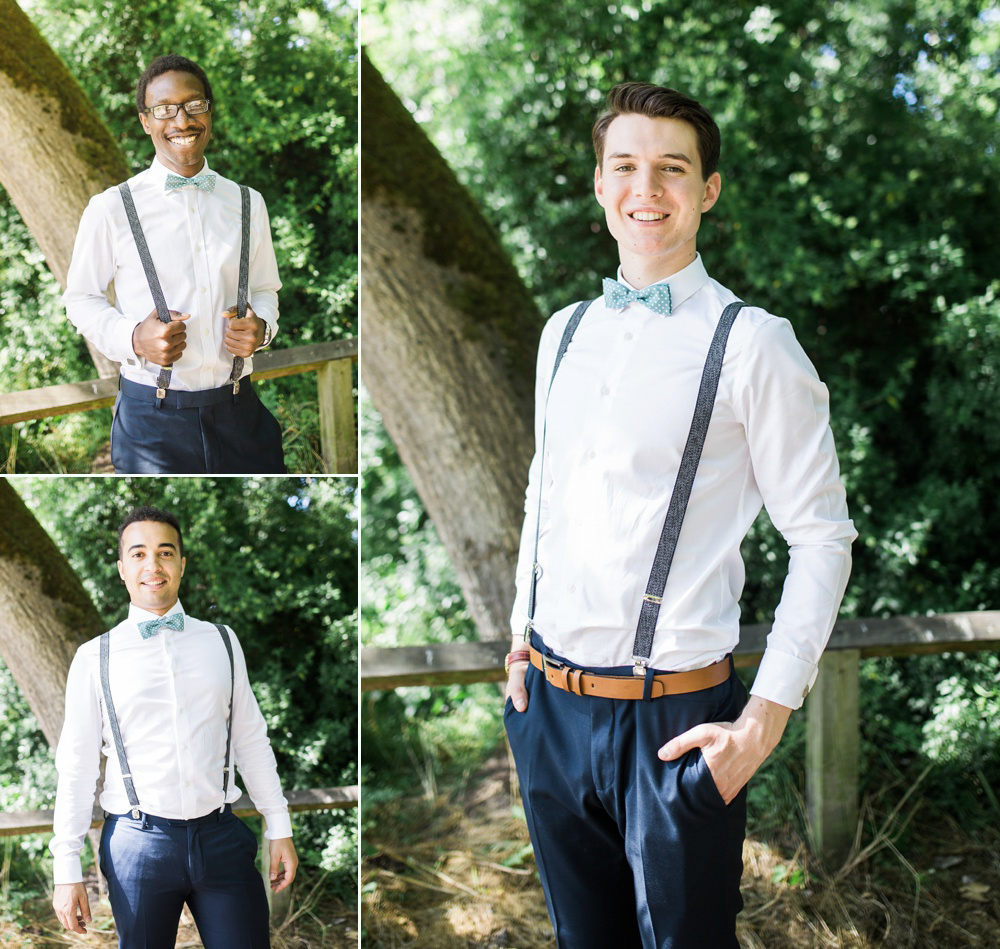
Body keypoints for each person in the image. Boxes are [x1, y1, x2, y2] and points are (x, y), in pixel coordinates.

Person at [503, 82, 857, 948]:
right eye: (625, 166)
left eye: (672, 168)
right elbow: (543, 488)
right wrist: (519, 637)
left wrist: (762, 720)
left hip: (675, 726)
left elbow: (822, 537)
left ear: (708, 190)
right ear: (598, 184)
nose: (645, 189)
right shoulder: (564, 332)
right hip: (548, 708)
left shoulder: (753, 342)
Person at [51, 506, 297, 947]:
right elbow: (77, 768)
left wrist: (279, 823)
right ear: (122, 568)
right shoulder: (95, 657)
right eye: (139, 554)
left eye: (165, 553)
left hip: (222, 836)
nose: (153, 565)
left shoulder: (222, 640)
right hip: (136, 845)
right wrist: (66, 869)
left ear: (181, 564)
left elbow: (249, 737)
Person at [64, 54, 285, 474]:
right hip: (151, 422)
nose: (182, 121)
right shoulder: (111, 208)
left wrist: (263, 329)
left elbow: (263, 290)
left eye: (194, 105)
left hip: (242, 414)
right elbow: (81, 299)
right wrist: (132, 338)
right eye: (165, 109)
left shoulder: (247, 202)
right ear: (146, 121)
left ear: (209, 111)